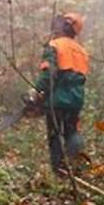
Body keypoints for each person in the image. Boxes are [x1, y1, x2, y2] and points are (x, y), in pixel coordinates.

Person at [28, 12, 89, 176]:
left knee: (55, 135)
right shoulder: (81, 50)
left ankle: (60, 171)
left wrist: (37, 91)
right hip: (76, 100)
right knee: (72, 132)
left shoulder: (55, 45)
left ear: (65, 26)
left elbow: (50, 73)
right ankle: (77, 168)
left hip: (57, 100)